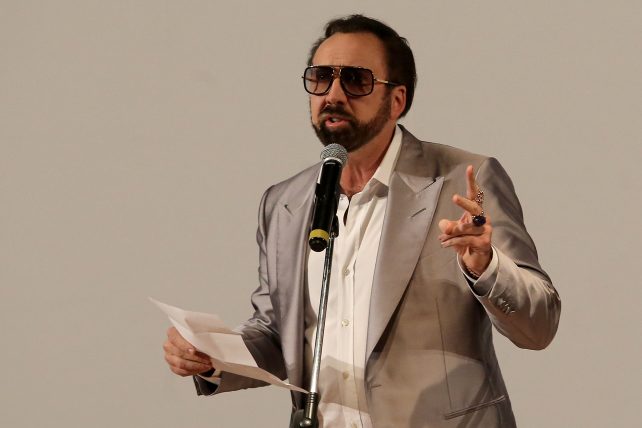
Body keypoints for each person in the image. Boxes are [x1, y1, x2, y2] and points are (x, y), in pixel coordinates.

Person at [162, 14, 561, 428]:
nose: (333, 94)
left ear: (397, 100)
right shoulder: (284, 204)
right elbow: (279, 334)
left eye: (355, 79)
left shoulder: (463, 182)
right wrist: (212, 356)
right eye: (321, 78)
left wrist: (487, 267)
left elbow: (540, 326)